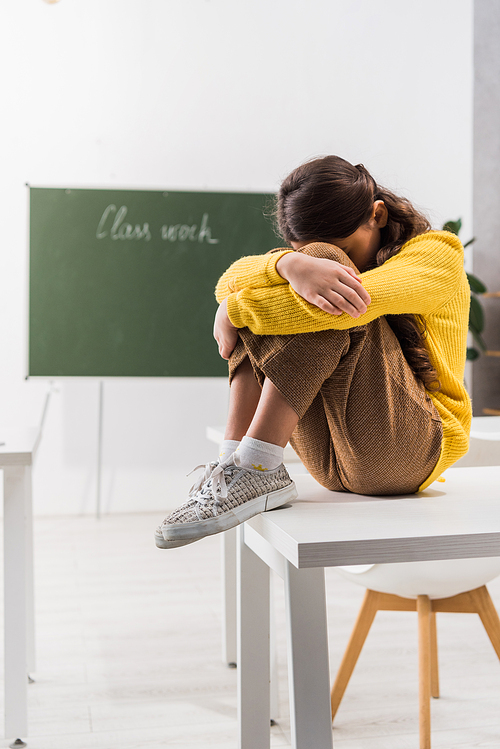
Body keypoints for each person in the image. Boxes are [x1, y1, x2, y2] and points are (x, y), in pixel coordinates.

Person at [155, 155, 471, 549]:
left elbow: (347, 306)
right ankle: (237, 462)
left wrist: (232, 310)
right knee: (300, 279)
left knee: (326, 272)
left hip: (412, 450)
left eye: (348, 244)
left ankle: (258, 463)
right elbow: (228, 281)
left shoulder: (439, 254)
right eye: (295, 250)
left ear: (378, 214)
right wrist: (287, 266)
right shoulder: (300, 259)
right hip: (332, 461)